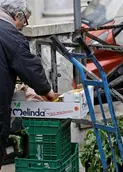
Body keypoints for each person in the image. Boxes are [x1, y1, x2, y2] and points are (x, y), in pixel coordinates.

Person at [0, 0, 55, 168]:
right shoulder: (10, 35)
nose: (24, 26)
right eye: (25, 21)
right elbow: (30, 67)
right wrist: (47, 91)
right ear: (18, 15)